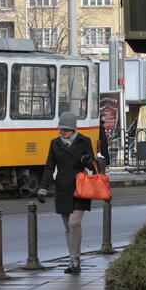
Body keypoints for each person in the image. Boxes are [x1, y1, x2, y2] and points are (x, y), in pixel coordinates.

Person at [37, 112, 95, 274]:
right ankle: (72, 260)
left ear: (74, 129)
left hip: (80, 188)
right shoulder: (55, 144)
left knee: (74, 223)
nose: (63, 132)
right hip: (62, 189)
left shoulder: (84, 141)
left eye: (66, 129)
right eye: (61, 129)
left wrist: (88, 161)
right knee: (68, 228)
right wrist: (43, 187)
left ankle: (76, 259)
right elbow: (49, 167)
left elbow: (94, 166)